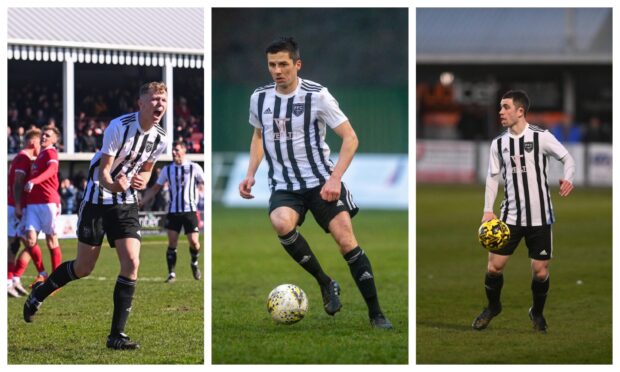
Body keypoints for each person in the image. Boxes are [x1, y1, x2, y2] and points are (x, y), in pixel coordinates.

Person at [239, 37, 392, 329]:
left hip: (321, 182)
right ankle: (325, 282)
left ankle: (376, 313)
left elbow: (351, 138)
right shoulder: (259, 98)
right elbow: (258, 136)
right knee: (281, 223)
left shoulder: (317, 95)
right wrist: (250, 173)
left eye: (283, 64)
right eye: (272, 65)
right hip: (284, 184)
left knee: (346, 242)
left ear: (297, 64)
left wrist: (335, 179)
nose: (277, 70)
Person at [23, 82, 169, 350]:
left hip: (125, 203)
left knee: (132, 262)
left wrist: (141, 181)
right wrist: (115, 185)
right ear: (141, 103)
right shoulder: (119, 126)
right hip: (98, 199)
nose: (160, 105)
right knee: (83, 268)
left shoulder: (161, 137)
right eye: (155, 99)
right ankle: (39, 293)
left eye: (163, 100)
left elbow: (148, 170)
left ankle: (117, 335)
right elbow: (103, 173)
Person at [472, 90, 575, 333]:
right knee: (493, 267)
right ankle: (493, 306)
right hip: (509, 217)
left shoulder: (542, 137)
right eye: (500, 107)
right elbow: (492, 177)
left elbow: (567, 158)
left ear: (520, 111)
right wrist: (488, 210)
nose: (501, 111)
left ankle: (537, 312)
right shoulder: (499, 143)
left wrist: (568, 178)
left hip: (540, 216)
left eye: (506, 107)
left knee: (540, 272)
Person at [140, 141, 205, 283]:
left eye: (176, 150)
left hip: (190, 211)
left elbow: (203, 182)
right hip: (174, 211)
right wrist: (143, 201)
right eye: (173, 150)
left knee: (194, 243)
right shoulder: (167, 170)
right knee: (172, 243)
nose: (174, 153)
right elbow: (156, 188)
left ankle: (194, 263)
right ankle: (171, 274)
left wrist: (202, 190)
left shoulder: (194, 167)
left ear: (184, 150)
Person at [22, 126, 63, 285]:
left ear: (55, 140)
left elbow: (52, 170)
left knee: (51, 240)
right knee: (30, 240)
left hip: (48, 202)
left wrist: (34, 180)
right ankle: (43, 273)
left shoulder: (51, 153)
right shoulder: (40, 155)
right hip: (33, 203)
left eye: (47, 135)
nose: (44, 137)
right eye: (43, 135)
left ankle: (57, 280)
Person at [8, 128, 46, 297]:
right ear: (32, 142)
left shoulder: (23, 158)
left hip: (19, 206)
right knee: (22, 243)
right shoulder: (23, 158)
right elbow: (17, 183)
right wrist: (17, 205)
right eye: (40, 142)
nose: (41, 146)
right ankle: (10, 280)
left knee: (24, 244)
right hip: (15, 207)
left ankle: (14, 279)